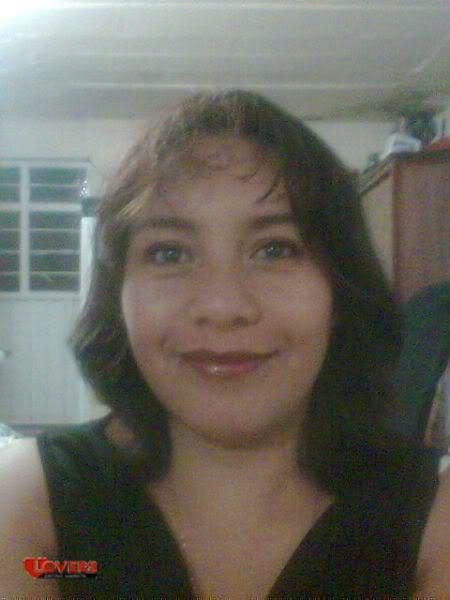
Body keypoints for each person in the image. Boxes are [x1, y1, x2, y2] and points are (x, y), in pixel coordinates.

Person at [1, 90, 449, 598]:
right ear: (117, 297)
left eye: (275, 248)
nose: (222, 306)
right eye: (169, 253)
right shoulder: (31, 503)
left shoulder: (435, 517)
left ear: (340, 292)